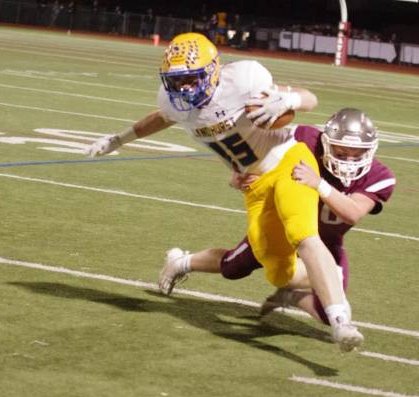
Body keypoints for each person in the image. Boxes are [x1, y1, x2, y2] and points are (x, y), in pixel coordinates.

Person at [84, 33, 363, 352]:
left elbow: (309, 98)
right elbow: (161, 118)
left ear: (213, 71)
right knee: (277, 270)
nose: (185, 88)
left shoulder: (243, 79)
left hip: (288, 161)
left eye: (191, 79)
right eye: (177, 81)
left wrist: (288, 100)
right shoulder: (172, 101)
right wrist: (119, 139)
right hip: (253, 184)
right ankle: (312, 285)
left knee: (304, 234)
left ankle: (341, 321)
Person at [159, 109, 395, 330]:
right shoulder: (305, 139)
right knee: (233, 267)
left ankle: (292, 295)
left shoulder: (379, 176)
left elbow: (352, 212)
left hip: (326, 243)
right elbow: (256, 150)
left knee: (329, 314)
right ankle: (180, 262)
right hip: (281, 226)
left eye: (358, 155)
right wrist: (236, 177)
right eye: (342, 152)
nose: (349, 161)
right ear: (326, 141)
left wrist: (319, 183)